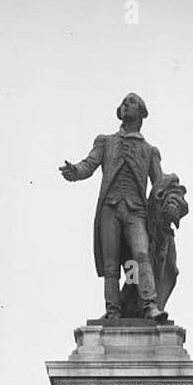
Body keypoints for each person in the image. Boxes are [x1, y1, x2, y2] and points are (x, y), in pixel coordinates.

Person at [59, 92, 185, 321]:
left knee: (141, 254)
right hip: (110, 209)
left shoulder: (150, 151)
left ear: (142, 113)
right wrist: (75, 172)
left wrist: (172, 201)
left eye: (132, 102)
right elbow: (89, 165)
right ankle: (113, 311)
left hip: (136, 211)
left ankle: (149, 305)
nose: (127, 105)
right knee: (111, 264)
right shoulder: (105, 141)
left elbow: (160, 184)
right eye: (124, 102)